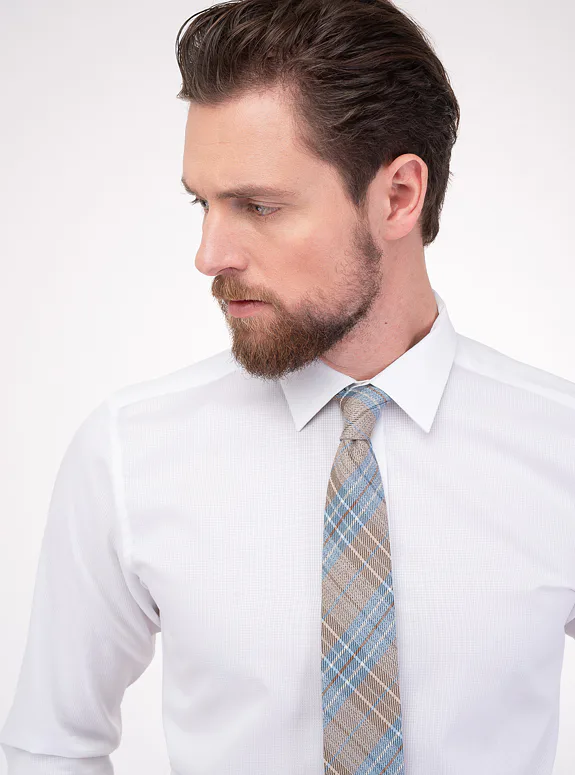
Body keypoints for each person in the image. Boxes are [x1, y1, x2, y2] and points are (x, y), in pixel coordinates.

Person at [1, 0, 574, 773]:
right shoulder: (128, 453)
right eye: (203, 203)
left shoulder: (559, 447)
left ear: (397, 196)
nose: (209, 255)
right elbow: (52, 745)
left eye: (258, 206)